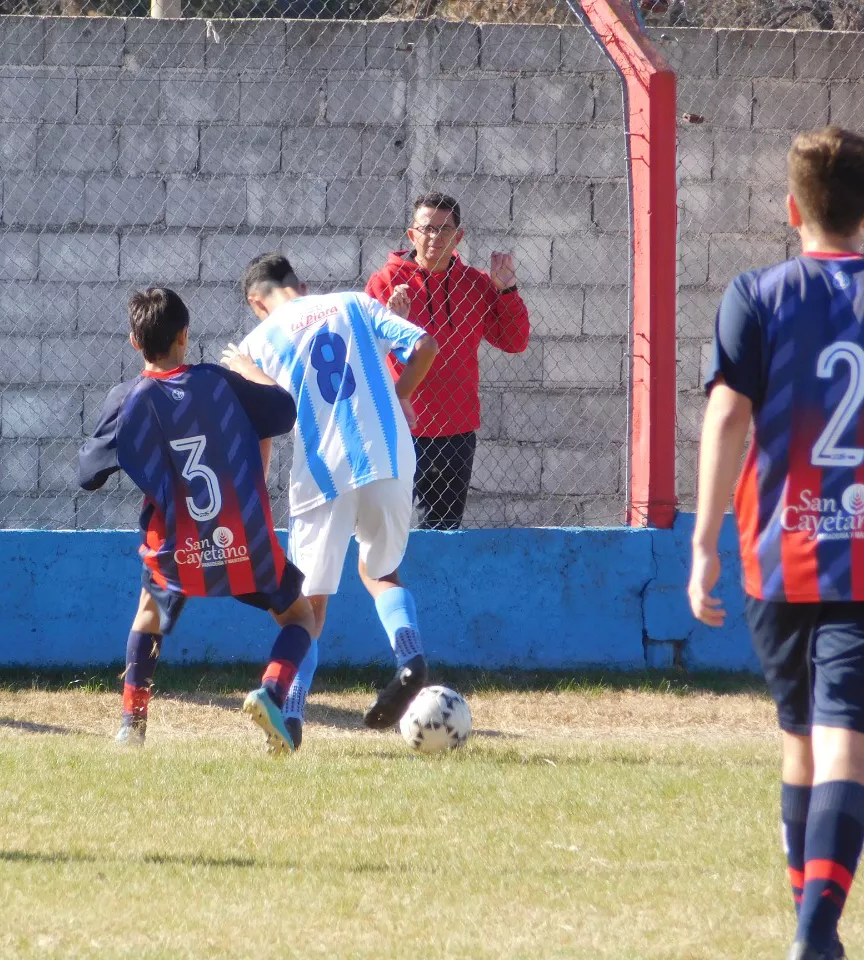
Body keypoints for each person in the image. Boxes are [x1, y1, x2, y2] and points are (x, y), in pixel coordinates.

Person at [689, 127, 864, 960]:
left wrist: (702, 543)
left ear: (790, 207)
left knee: (800, 733)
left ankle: (812, 926)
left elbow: (727, 416)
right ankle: (816, 931)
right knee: (849, 735)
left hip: (776, 552)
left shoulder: (754, 295)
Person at [77, 287, 316, 753]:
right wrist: (249, 370)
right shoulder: (219, 381)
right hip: (243, 538)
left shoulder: (127, 399)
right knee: (300, 618)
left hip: (176, 545)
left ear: (133, 341)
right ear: (186, 335)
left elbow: (88, 475)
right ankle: (270, 691)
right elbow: (283, 412)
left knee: (148, 616)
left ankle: (132, 726)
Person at [225, 253, 438, 744]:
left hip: (322, 475)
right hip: (388, 455)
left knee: (308, 609)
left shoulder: (255, 346)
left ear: (257, 303)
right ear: (302, 284)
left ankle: (292, 716)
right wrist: (399, 394)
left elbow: (265, 428)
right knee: (381, 572)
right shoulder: (355, 302)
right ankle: (410, 657)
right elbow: (424, 344)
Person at [365, 193, 530, 530]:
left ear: (459, 237)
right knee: (383, 528)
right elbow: (367, 354)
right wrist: (397, 322)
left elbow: (514, 342)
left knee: (443, 531)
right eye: (426, 229)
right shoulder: (386, 283)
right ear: (412, 235)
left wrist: (507, 291)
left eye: (444, 230)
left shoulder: (477, 284)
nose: (435, 238)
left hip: (457, 429)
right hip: (399, 427)